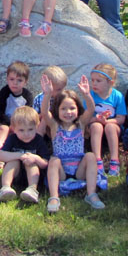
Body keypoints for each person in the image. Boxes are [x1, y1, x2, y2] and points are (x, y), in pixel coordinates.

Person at [41, 80, 102, 212]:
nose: (68, 112)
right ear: (57, 110)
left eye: (72, 108)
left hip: (79, 170)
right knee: (53, 160)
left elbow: (91, 109)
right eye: (63, 108)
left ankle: (91, 194)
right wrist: (47, 94)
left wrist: (86, 94)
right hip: (61, 171)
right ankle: (53, 197)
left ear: (78, 109)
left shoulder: (80, 124)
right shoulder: (55, 126)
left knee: (90, 156)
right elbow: (45, 113)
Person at [0, 106, 50, 204]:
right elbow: (0, 155)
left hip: (33, 176)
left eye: (30, 129)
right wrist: (20, 155)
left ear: (37, 127)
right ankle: (5, 188)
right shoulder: (12, 139)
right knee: (13, 161)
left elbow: (45, 163)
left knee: (31, 162)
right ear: (13, 129)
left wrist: (36, 158)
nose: (26, 134)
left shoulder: (38, 140)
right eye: (21, 130)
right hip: (16, 175)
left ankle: (33, 190)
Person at [89, 63, 127, 178]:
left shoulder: (117, 96)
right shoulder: (90, 95)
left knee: (110, 127)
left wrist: (107, 122)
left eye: (98, 81)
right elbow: (86, 118)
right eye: (93, 80)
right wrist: (97, 119)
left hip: (113, 126)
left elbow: (121, 118)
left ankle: (114, 160)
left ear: (110, 82)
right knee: (96, 126)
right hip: (95, 125)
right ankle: (97, 160)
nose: (94, 83)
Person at [0, 60, 33, 142]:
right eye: (12, 79)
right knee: (4, 129)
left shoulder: (27, 95)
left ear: (25, 82)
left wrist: (16, 125)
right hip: (5, 122)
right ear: (7, 79)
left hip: (20, 123)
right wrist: (8, 123)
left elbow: (28, 113)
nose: (15, 83)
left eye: (19, 80)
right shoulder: (4, 92)